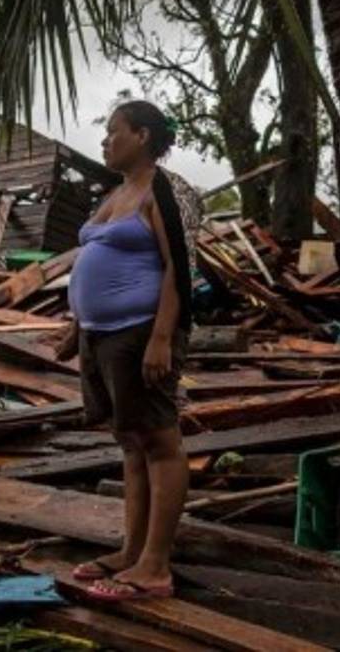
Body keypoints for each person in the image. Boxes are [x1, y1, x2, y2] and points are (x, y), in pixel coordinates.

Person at [56, 99, 200, 602]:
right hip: (103, 335)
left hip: (142, 333)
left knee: (160, 442)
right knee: (131, 442)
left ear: (141, 136)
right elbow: (93, 260)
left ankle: (155, 567)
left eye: (113, 131)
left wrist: (162, 337)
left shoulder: (167, 188)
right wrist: (78, 329)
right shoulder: (116, 192)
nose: (105, 140)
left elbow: (179, 268)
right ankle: (131, 551)